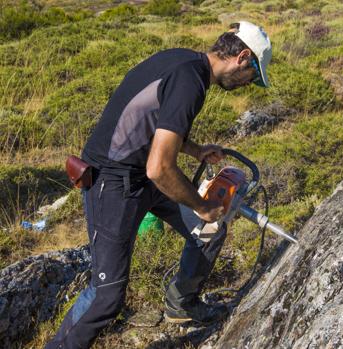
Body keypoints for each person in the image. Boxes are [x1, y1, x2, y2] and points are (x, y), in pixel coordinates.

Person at [45, 21, 272, 349]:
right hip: (114, 185)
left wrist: (195, 150)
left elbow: (153, 125)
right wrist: (202, 205)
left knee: (208, 231)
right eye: (253, 75)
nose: (249, 83)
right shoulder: (190, 81)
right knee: (106, 296)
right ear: (243, 57)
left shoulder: (182, 61)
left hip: (140, 178)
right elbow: (160, 167)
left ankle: (182, 303)